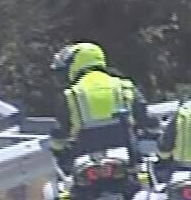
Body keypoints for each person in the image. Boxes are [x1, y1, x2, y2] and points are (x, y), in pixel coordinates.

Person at [47, 42, 151, 175]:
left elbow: (60, 131)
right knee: (146, 182)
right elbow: (145, 116)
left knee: (69, 187)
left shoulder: (71, 93)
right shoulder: (124, 85)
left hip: (85, 157)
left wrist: (58, 151)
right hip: (127, 156)